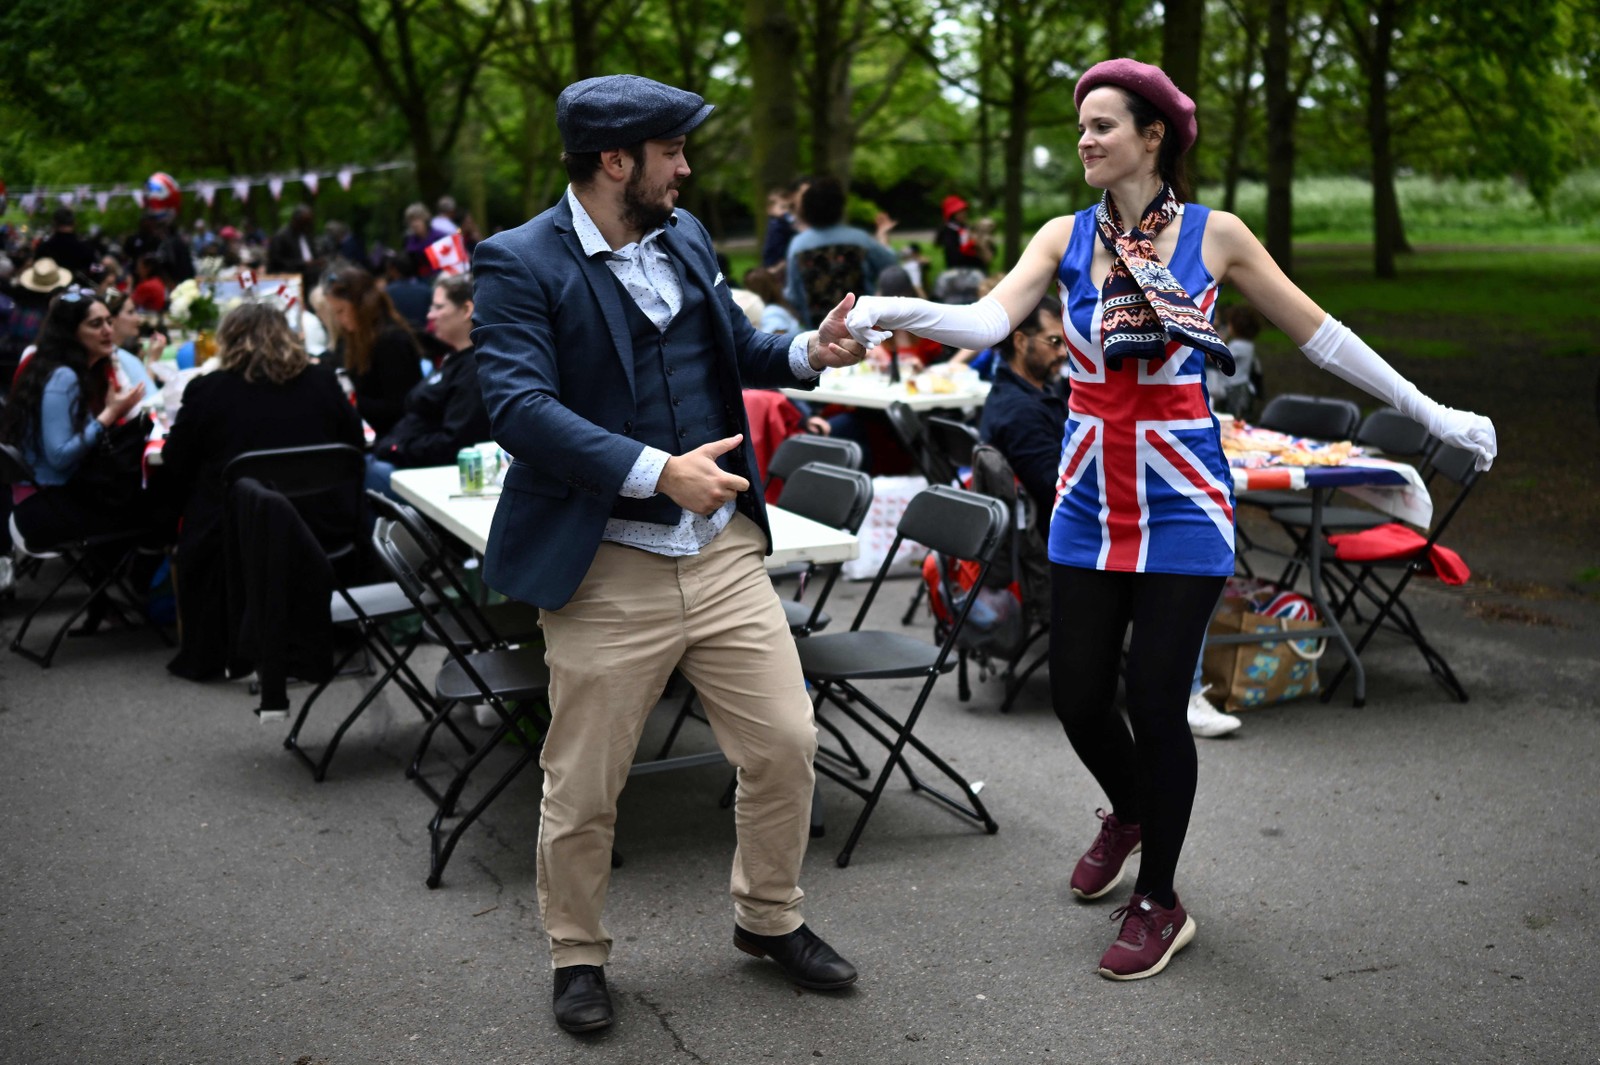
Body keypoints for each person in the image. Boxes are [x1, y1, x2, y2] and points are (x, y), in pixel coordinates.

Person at [845, 58, 1497, 982]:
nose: (1085, 140)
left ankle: (1162, 898)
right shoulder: (1063, 237)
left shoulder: (1215, 236)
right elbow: (987, 325)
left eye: (1103, 125)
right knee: (1076, 696)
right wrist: (884, 310)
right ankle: (1131, 809)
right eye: (1080, 126)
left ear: (1154, 138)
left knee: (1155, 698)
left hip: (1184, 498)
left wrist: (1431, 414)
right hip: (1086, 497)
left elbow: (1322, 335)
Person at [471, 73, 867, 1036]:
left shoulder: (685, 235)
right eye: (671, 152)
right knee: (584, 782)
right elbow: (519, 409)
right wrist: (656, 471)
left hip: (722, 552)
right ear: (617, 161)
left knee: (785, 741)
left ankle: (769, 918)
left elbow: (732, 347)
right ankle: (577, 952)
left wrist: (810, 350)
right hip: (606, 564)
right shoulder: (518, 261)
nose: (686, 168)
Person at [157, 302, 364, 680]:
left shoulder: (207, 389)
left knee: (190, 498)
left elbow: (175, 461)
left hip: (235, 534)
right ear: (286, 335)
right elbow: (355, 443)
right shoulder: (321, 381)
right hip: (320, 525)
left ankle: (218, 642)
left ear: (228, 340)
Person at [0, 288, 154, 556]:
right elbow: (59, 456)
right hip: (46, 509)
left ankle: (133, 586)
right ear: (70, 333)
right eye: (96, 324)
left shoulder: (73, 369)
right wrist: (110, 414)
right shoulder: (63, 376)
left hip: (51, 499)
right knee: (161, 508)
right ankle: (150, 591)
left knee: (154, 500)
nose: (108, 330)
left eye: (108, 321)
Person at [366, 273, 491, 497]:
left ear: (466, 310)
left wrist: (398, 448)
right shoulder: (453, 358)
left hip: (430, 476)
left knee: (362, 469)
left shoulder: (474, 369)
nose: (430, 315)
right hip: (406, 461)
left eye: (438, 307)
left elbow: (455, 443)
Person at [977, 295, 1069, 518]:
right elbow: (1057, 492)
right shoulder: (1020, 411)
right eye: (1055, 342)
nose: (1063, 353)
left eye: (1066, 343)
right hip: (1047, 535)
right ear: (1020, 342)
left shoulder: (1023, 389)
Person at [321, 264, 427, 438]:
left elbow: (400, 407)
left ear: (360, 306)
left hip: (397, 439)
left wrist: (350, 401)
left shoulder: (391, 341)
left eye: (341, 311)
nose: (340, 320)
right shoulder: (356, 339)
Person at [782, 176, 897, 327]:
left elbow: (794, 295)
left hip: (819, 330)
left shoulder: (798, 246)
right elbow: (891, 268)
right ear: (840, 206)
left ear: (805, 209)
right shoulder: (859, 239)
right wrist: (883, 240)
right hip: (863, 326)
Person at [267, 204, 319, 276]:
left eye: (308, 222)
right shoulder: (281, 236)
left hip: (311, 274)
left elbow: (314, 255)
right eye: (304, 222)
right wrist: (302, 264)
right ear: (295, 220)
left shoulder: (307, 235)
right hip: (290, 276)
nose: (307, 226)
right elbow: (276, 262)